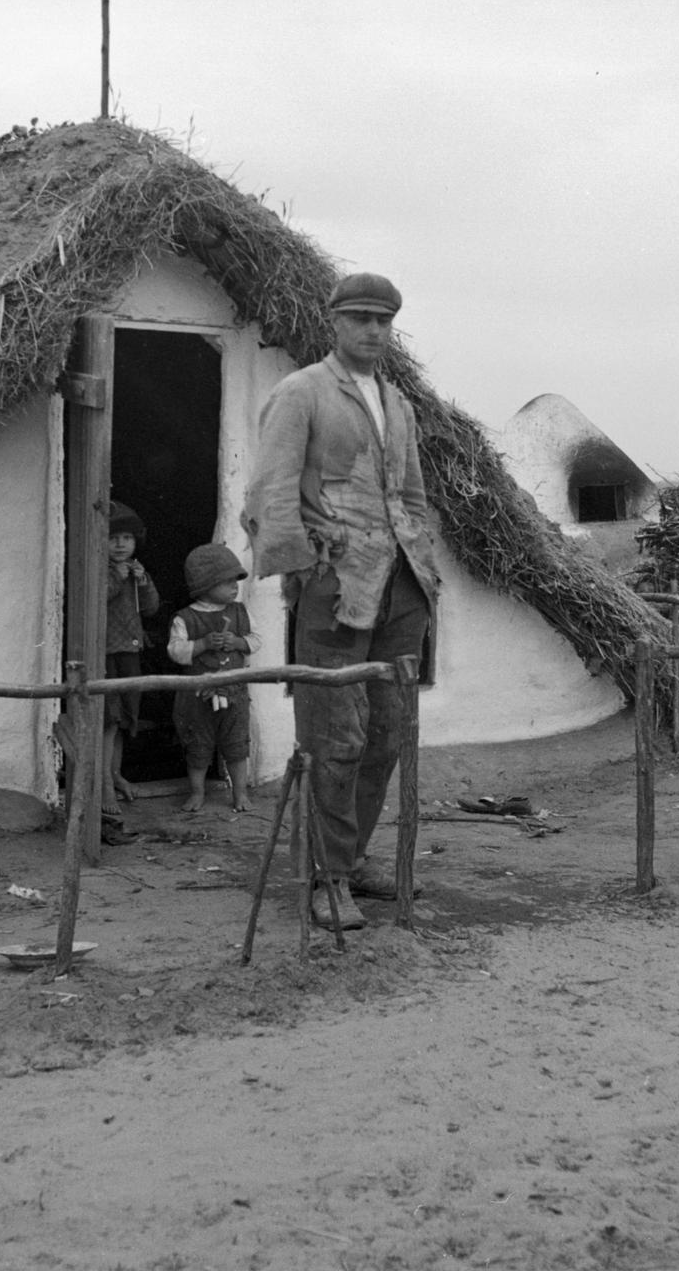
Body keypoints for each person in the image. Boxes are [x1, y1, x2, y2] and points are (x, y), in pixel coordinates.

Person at [243, 271, 440, 929]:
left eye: (382, 320)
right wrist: (302, 570)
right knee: (335, 736)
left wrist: (422, 560)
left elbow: (410, 496)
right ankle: (323, 876)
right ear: (334, 322)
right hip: (335, 587)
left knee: (386, 734)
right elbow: (269, 491)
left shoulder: (399, 404)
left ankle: (350, 858)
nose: (372, 331)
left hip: (399, 588)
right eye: (359, 318)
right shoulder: (300, 393)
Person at [167, 543, 262, 814]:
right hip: (197, 695)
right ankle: (197, 792)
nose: (234, 587)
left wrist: (237, 642)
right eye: (227, 582)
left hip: (234, 692)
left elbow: (256, 641)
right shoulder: (185, 618)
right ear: (205, 585)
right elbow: (175, 650)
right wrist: (203, 644)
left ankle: (239, 793)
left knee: (236, 744)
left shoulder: (240, 612)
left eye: (236, 581)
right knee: (198, 745)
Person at [103, 500, 158, 845]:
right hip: (106, 653)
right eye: (114, 538)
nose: (121, 544)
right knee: (107, 718)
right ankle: (106, 784)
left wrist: (143, 583)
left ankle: (115, 774)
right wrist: (115, 580)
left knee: (123, 719)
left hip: (130, 652)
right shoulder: (100, 570)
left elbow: (151, 608)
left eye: (127, 538)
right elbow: (95, 600)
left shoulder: (136, 570)